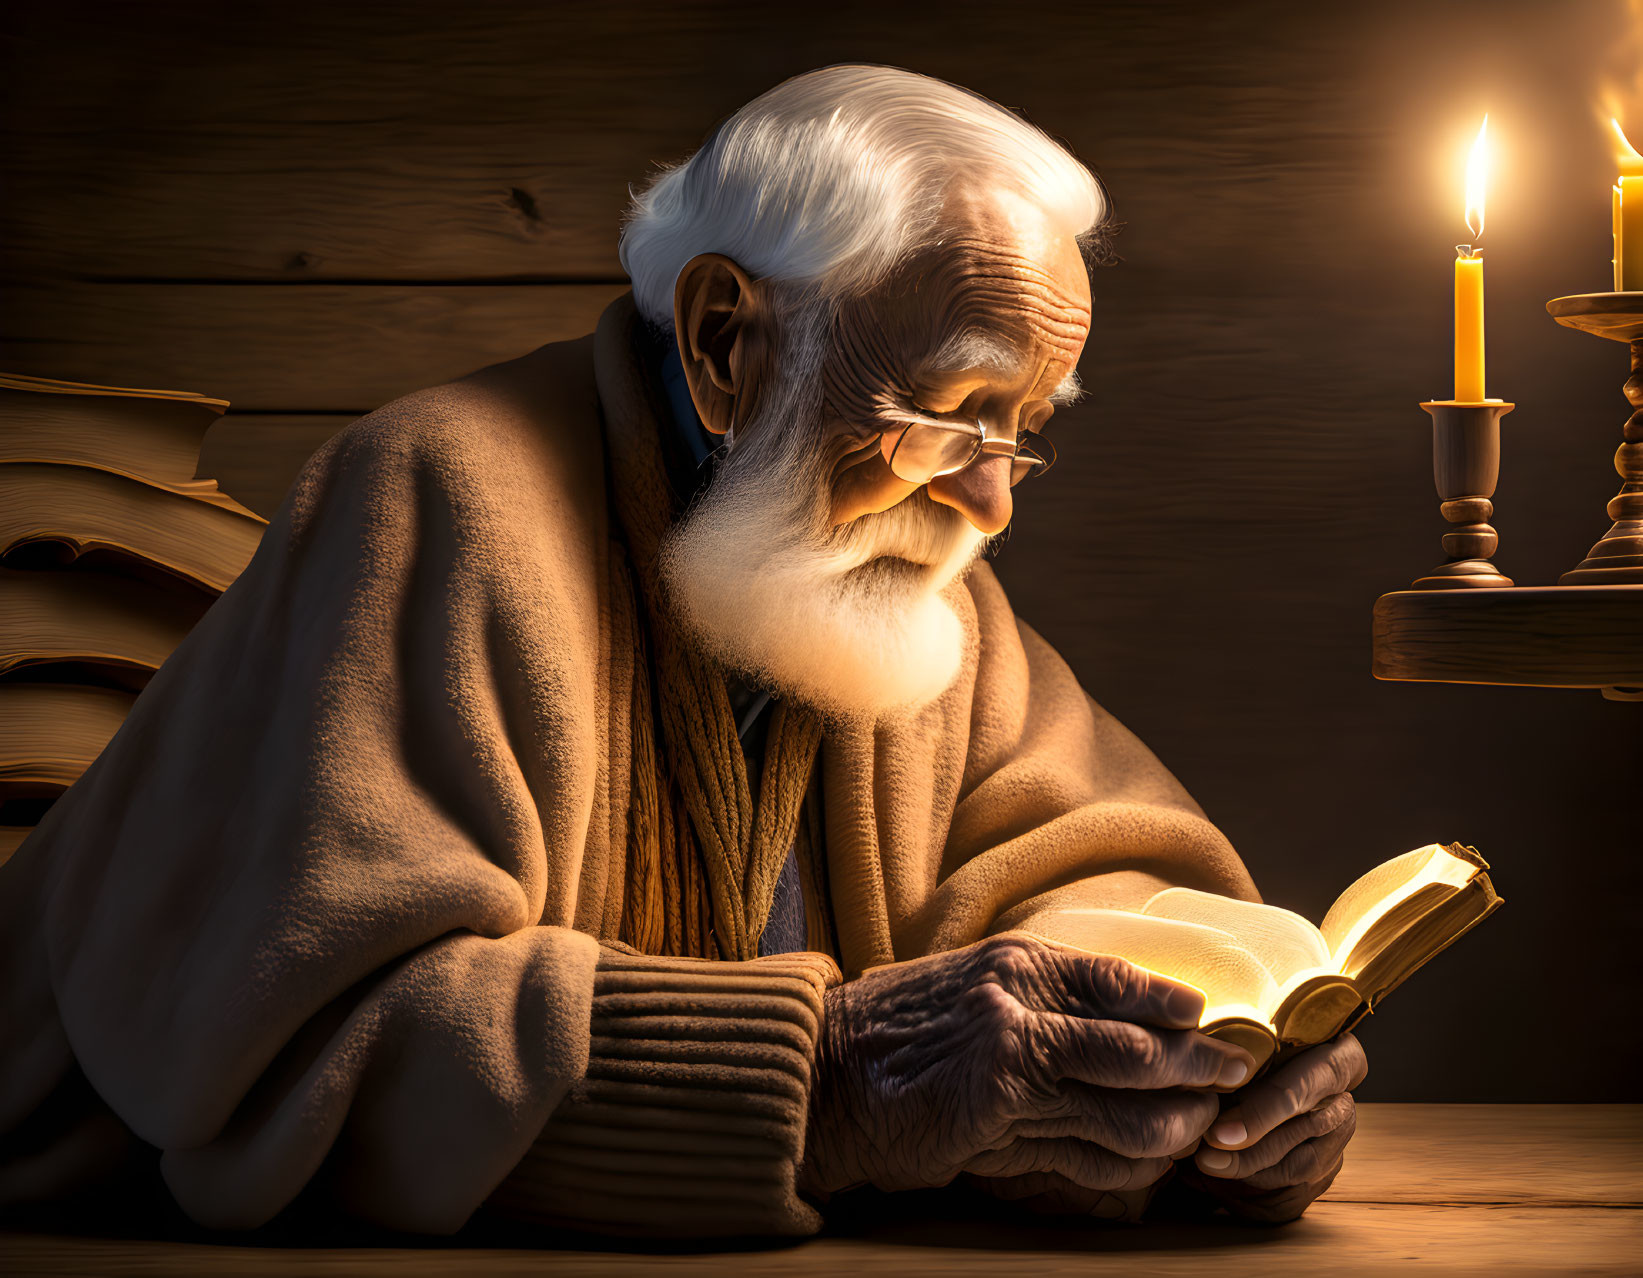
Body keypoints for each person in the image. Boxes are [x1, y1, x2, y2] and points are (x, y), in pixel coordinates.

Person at [0, 64, 1364, 1239]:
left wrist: (1194, 1079)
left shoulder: (902, 569)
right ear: (726, 341)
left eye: (1022, 431)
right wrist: (829, 1081)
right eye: (952, 414)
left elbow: (1091, 864)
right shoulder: (436, 494)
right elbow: (306, 1049)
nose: (992, 502)